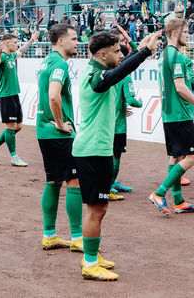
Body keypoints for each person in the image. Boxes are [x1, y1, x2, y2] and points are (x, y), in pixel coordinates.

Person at [72, 30, 160, 281]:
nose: (121, 55)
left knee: (100, 207)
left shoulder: (99, 73)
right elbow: (116, 74)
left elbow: (118, 74)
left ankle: (92, 256)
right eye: (117, 51)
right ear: (102, 54)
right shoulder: (94, 75)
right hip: (92, 151)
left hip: (97, 150)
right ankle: (89, 263)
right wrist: (144, 52)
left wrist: (139, 48)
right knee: (95, 209)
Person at [148, 18, 194, 216]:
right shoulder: (176, 56)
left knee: (175, 157)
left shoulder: (164, 56)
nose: (187, 36)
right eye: (184, 33)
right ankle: (159, 193)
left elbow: (162, 88)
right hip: (179, 114)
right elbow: (181, 87)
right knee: (191, 158)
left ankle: (178, 201)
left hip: (169, 113)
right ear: (174, 33)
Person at [35, 24, 84, 252]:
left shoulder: (46, 61)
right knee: (73, 181)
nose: (78, 42)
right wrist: (62, 123)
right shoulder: (59, 64)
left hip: (44, 131)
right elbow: (54, 96)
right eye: (74, 39)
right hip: (57, 133)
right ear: (61, 41)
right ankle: (77, 238)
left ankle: (49, 235)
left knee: (53, 181)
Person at [0, 30, 40, 168]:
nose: (17, 45)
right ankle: (14, 157)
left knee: (18, 127)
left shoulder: (10, 56)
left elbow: (21, 51)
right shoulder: (3, 57)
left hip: (14, 95)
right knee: (11, 127)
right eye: (15, 42)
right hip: (6, 97)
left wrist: (31, 40)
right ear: (6, 43)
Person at [106, 29, 141, 199]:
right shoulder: (124, 76)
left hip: (106, 119)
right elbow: (133, 101)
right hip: (117, 124)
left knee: (108, 153)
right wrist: (139, 102)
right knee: (115, 155)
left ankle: (111, 182)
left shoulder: (107, 71)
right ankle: (109, 184)